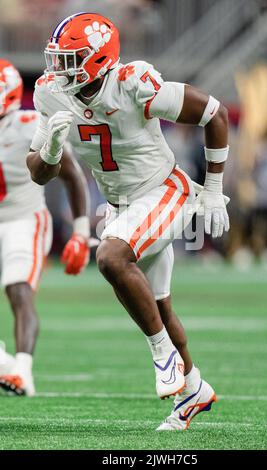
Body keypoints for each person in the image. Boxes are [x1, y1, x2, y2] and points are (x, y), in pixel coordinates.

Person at [26, 12, 230, 430]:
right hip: (122, 205)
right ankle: (193, 389)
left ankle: (163, 357)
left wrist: (212, 188)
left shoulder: (133, 82)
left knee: (111, 257)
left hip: (164, 190)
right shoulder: (52, 93)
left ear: (100, 59)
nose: (59, 69)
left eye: (72, 59)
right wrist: (49, 151)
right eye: (58, 59)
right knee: (156, 305)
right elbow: (37, 172)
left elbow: (215, 114)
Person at [0, 58, 90, 396]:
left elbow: (72, 175)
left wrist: (81, 232)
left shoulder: (27, 124)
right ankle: (6, 365)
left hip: (24, 219)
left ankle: (22, 369)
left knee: (18, 290)